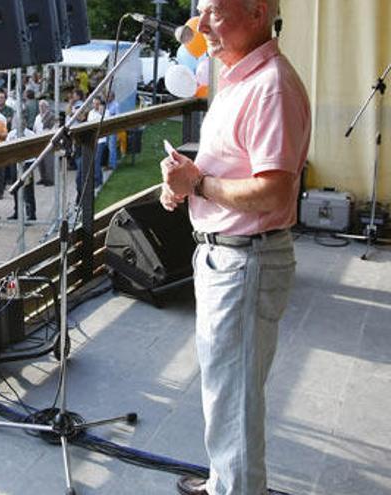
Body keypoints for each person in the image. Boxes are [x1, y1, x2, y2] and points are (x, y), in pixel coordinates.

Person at [160, 1, 310, 494]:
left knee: (235, 399)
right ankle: (226, 480)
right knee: (227, 394)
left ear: (256, 11)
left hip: (245, 260)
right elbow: (230, 166)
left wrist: (198, 184)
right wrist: (183, 182)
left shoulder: (271, 86)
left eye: (214, 14)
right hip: (225, 257)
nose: (200, 27)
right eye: (199, 12)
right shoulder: (237, 79)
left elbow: (274, 191)